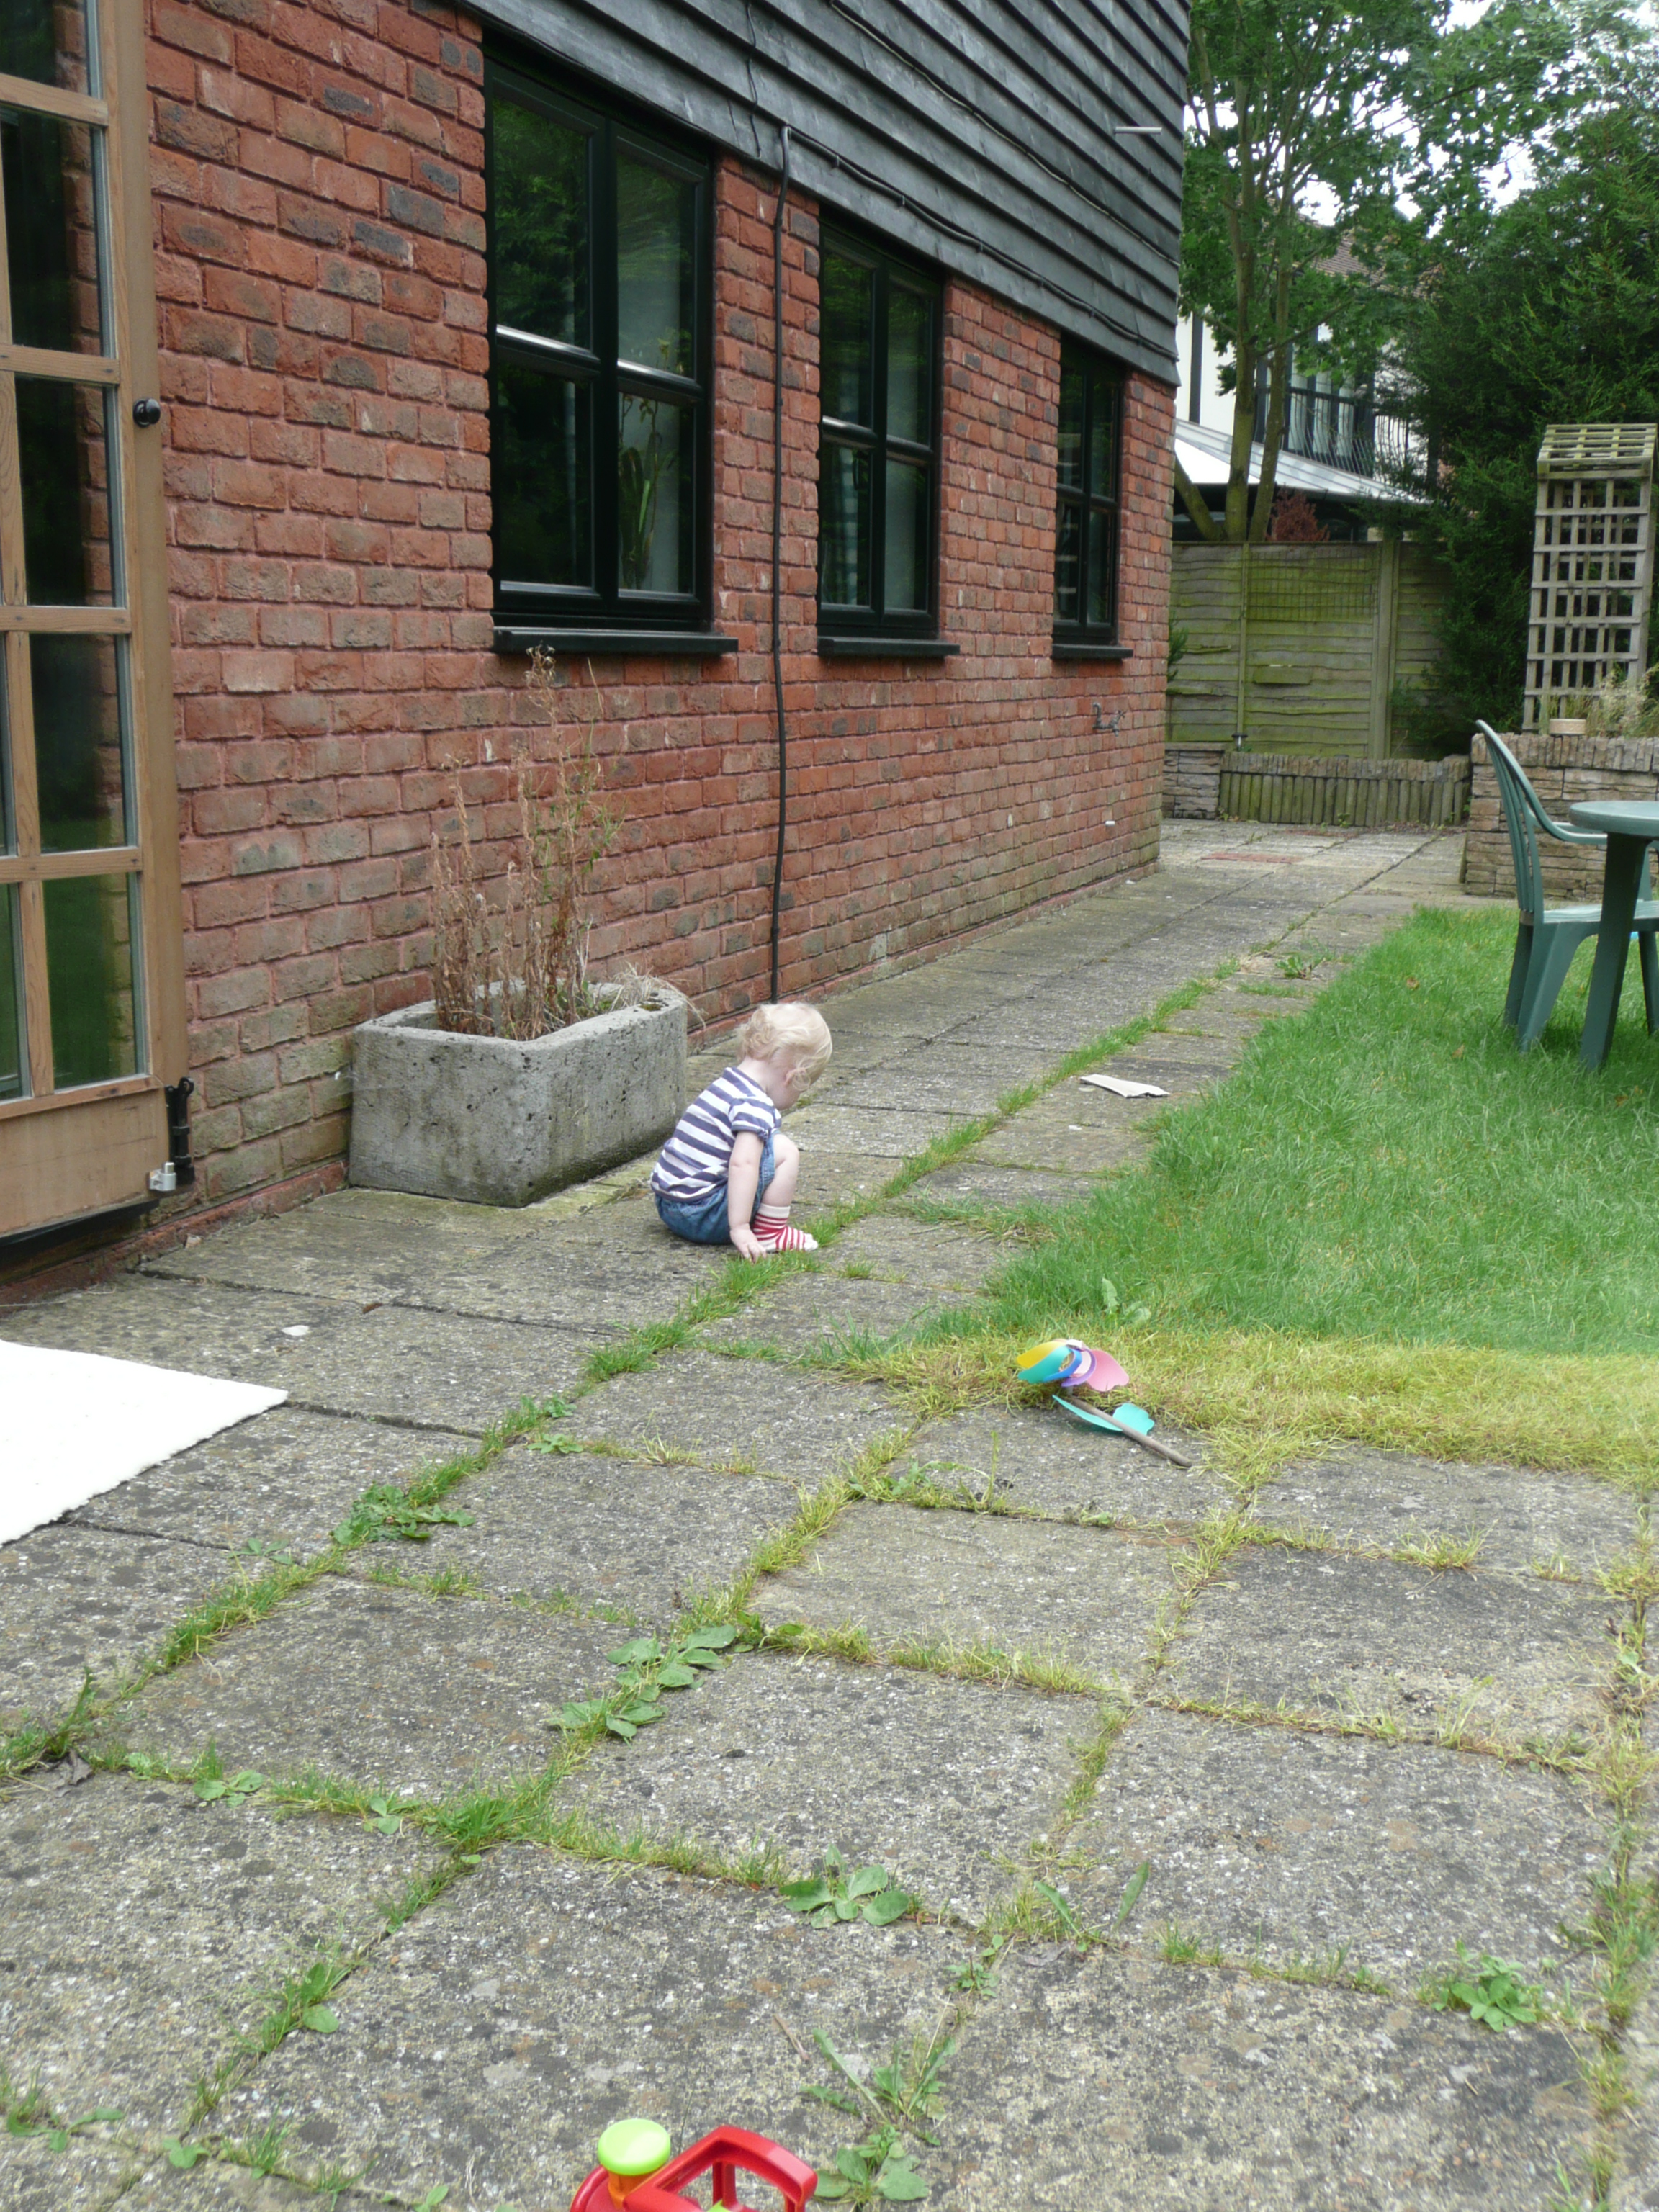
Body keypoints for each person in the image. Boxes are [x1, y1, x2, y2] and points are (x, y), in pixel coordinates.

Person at [651, 1002, 832, 1257]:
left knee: (765, 1144)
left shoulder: (723, 1086)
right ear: (793, 1077)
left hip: (669, 1206)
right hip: (703, 1216)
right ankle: (771, 1233)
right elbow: (742, 1164)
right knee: (784, 1151)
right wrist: (740, 1228)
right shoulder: (755, 1104)